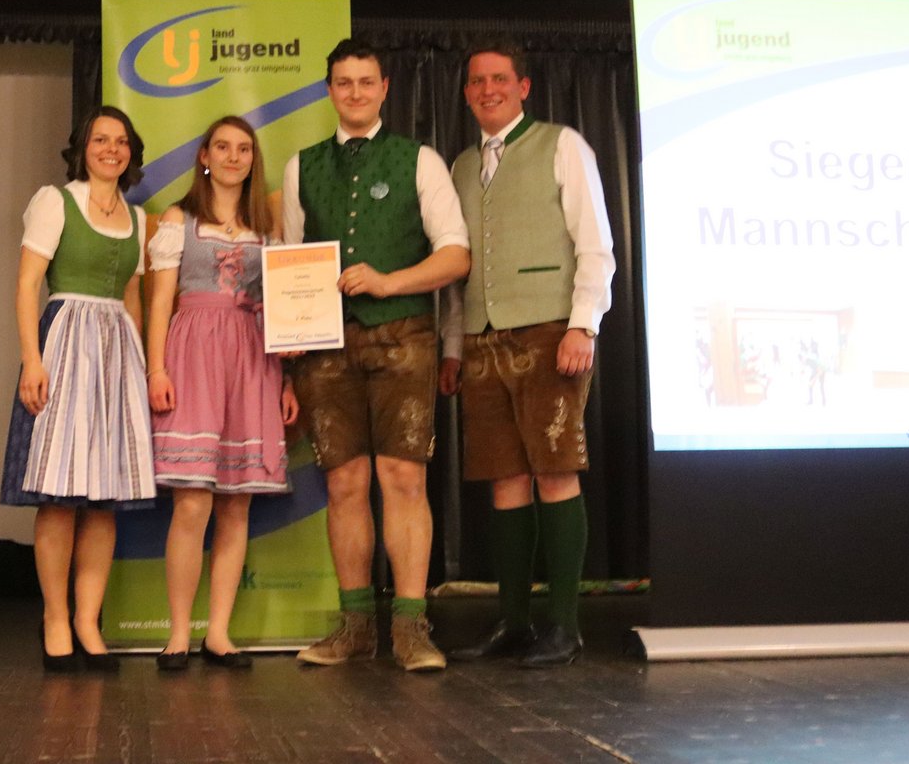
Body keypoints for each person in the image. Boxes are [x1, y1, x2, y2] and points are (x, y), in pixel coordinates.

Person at [281, 39, 471, 673]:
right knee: (343, 484)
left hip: (404, 338)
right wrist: (288, 357)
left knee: (404, 480)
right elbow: (289, 265)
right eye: (344, 83)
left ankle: (411, 628)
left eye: (366, 82)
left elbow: (456, 255)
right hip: (325, 347)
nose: (355, 93)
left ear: (385, 88)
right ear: (329, 90)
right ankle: (356, 626)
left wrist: (389, 282)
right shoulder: (301, 166)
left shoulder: (421, 160)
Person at [439, 45, 615, 668]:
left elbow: (595, 243)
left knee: (555, 470)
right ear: (466, 93)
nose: (487, 89)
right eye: (476, 81)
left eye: (499, 79)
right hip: (482, 339)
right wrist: (452, 346)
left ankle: (564, 626)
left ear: (523, 87)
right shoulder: (461, 165)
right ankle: (514, 624)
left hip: (549, 330)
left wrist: (582, 325)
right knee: (505, 479)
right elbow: (456, 269)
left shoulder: (562, 144)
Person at [0, 106, 155, 673]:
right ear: (82, 149)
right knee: (60, 496)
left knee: (104, 500)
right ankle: (55, 619)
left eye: (121, 141)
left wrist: (139, 366)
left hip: (117, 352)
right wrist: (31, 360)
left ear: (131, 152)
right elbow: (27, 285)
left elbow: (132, 297)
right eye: (100, 140)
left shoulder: (138, 219)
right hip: (65, 342)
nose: (112, 149)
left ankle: (89, 621)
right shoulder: (55, 201)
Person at [145, 116, 300, 671]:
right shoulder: (179, 219)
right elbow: (159, 300)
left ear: (253, 159)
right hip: (193, 354)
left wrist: (287, 378)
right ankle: (177, 634)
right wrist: (156, 369)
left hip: (252, 356)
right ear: (205, 157)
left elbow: (283, 309)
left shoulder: (267, 228)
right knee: (192, 501)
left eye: (244, 149)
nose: (234, 157)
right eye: (223, 147)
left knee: (237, 504)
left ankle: (218, 633)